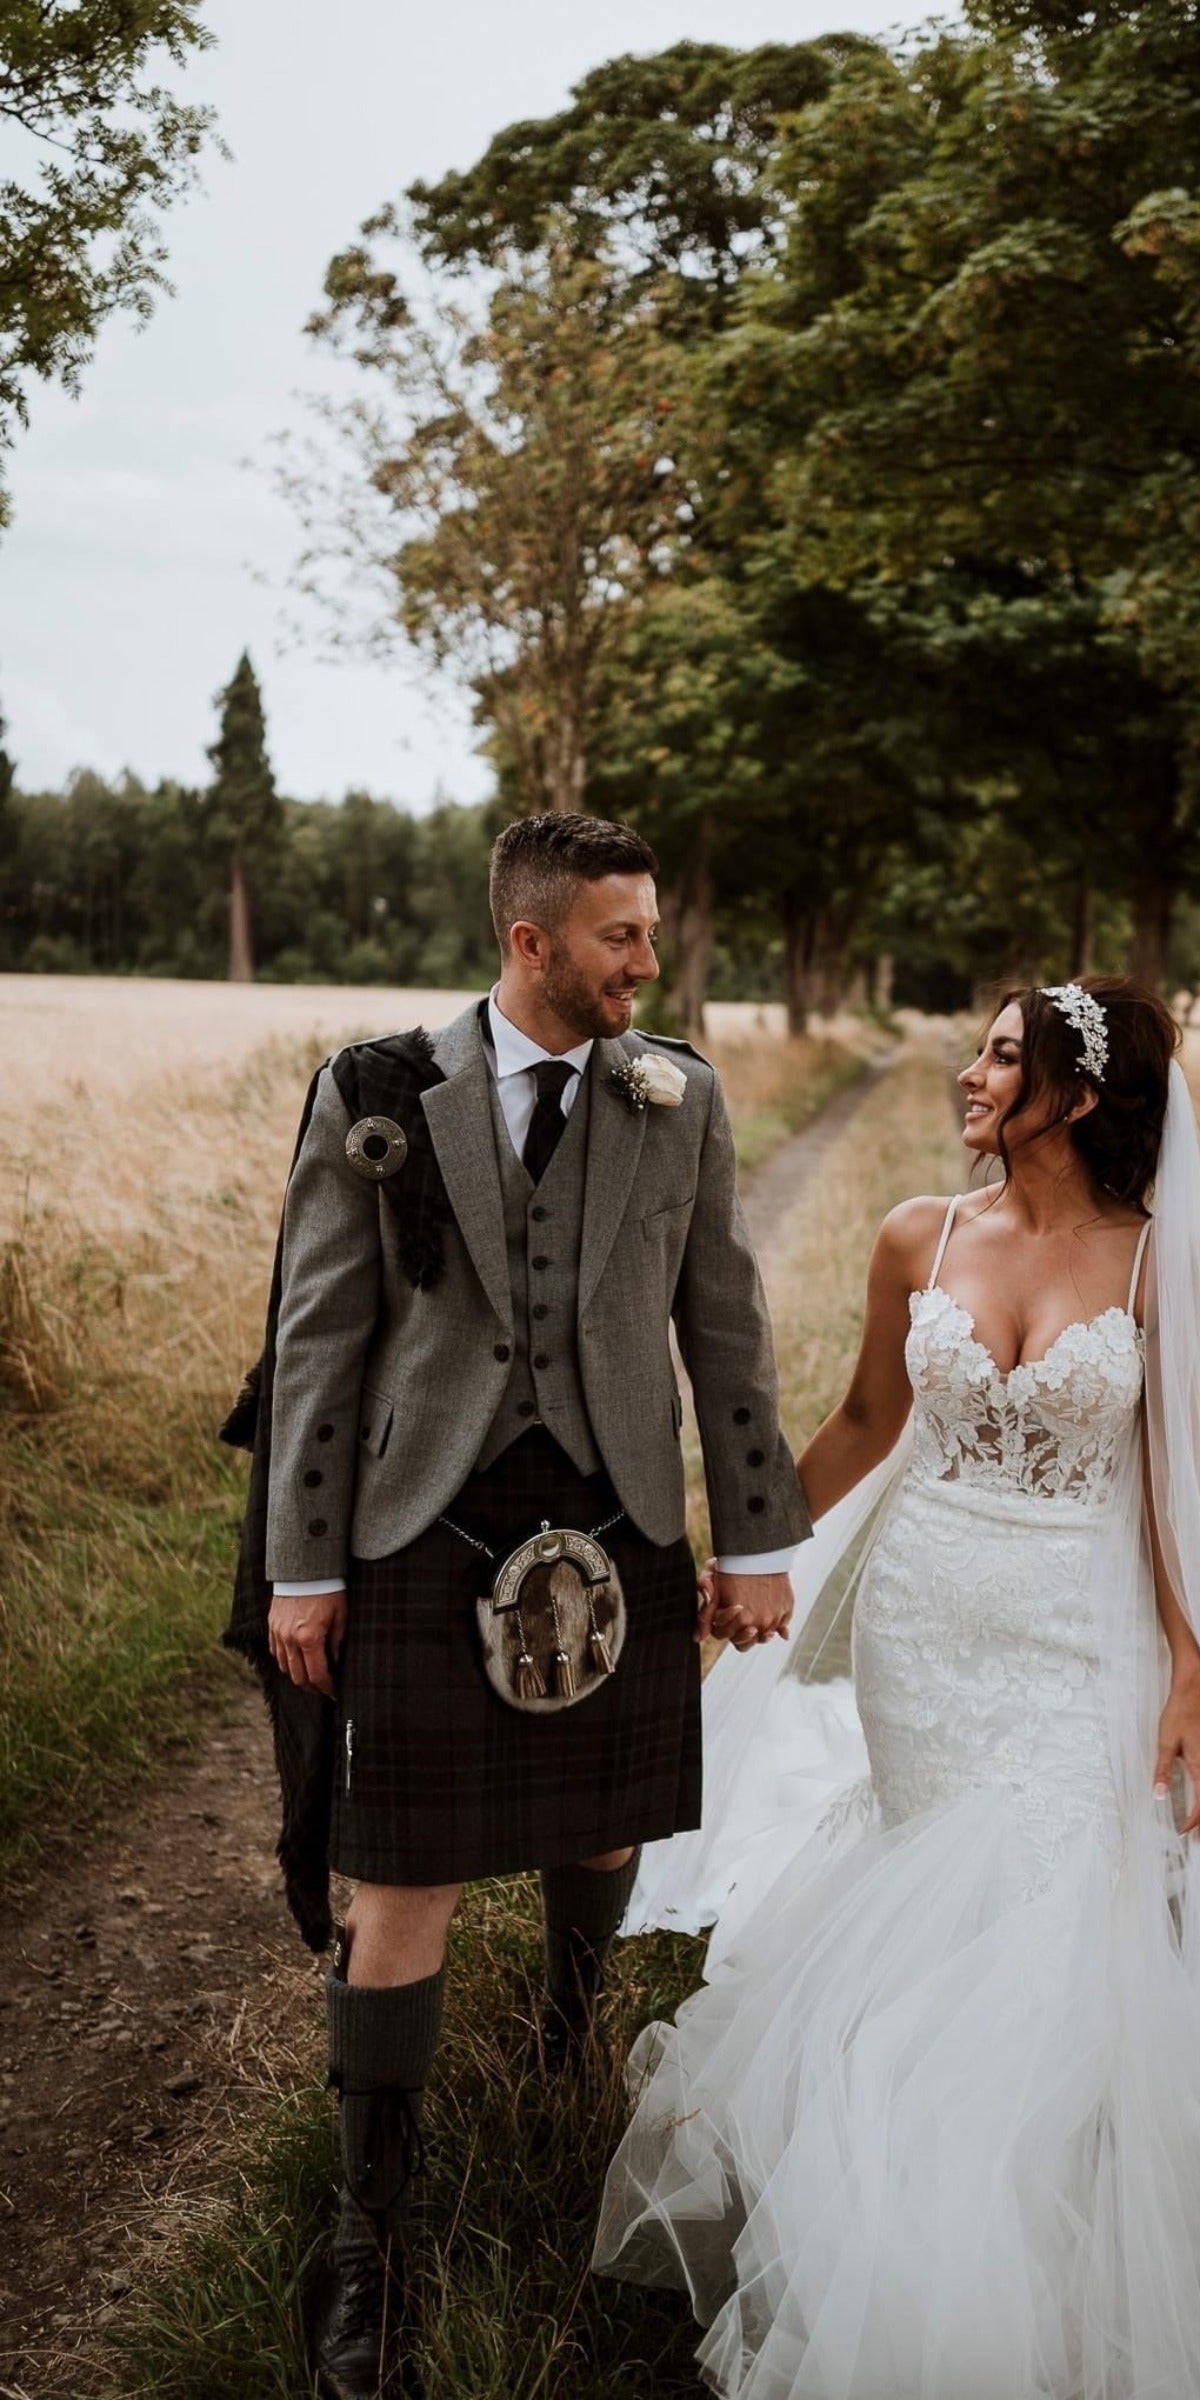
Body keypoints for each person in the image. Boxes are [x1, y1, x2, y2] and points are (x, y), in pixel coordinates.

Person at [595, 977, 1200, 2400]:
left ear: (1079, 1095)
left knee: (1053, 1900)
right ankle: (898, 2185)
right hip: (925, 1621)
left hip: (1081, 1629)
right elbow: (864, 1421)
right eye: (980, 1050)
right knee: (938, 1878)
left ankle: (1016, 2222)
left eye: (1005, 1057)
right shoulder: (918, 1236)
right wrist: (744, 1555)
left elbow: (1175, 1487)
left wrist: (1192, 1672)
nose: (971, 1073)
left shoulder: (1159, 1263)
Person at [233, 811, 811, 2400]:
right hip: (423, 1522)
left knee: (606, 1830)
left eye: (652, 931)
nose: (649, 961)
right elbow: (317, 1339)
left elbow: (727, 1322)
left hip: (620, 1508)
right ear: (530, 940)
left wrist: (756, 1537)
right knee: (402, 1880)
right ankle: (372, 2240)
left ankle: (565, 2027)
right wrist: (302, 1567)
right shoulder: (376, 1091)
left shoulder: (676, 1094)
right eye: (622, 935)